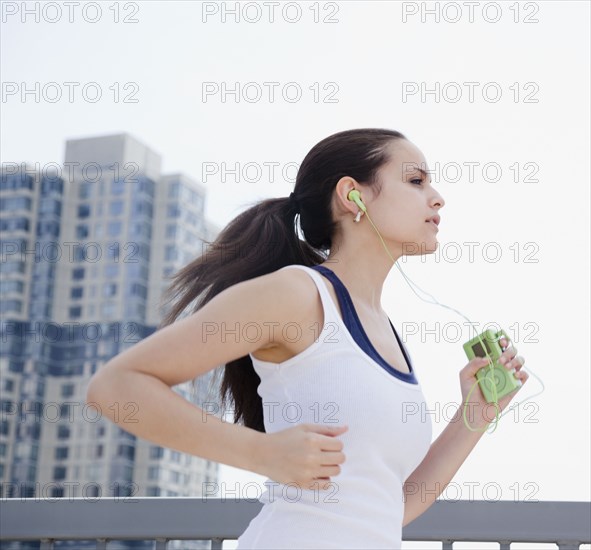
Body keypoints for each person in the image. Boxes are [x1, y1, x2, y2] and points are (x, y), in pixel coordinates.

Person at [86, 128, 528, 549]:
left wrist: (476, 413)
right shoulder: (297, 295)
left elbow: (386, 509)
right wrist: (263, 454)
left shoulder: (388, 333)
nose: (437, 197)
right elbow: (116, 386)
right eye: (415, 180)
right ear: (351, 194)